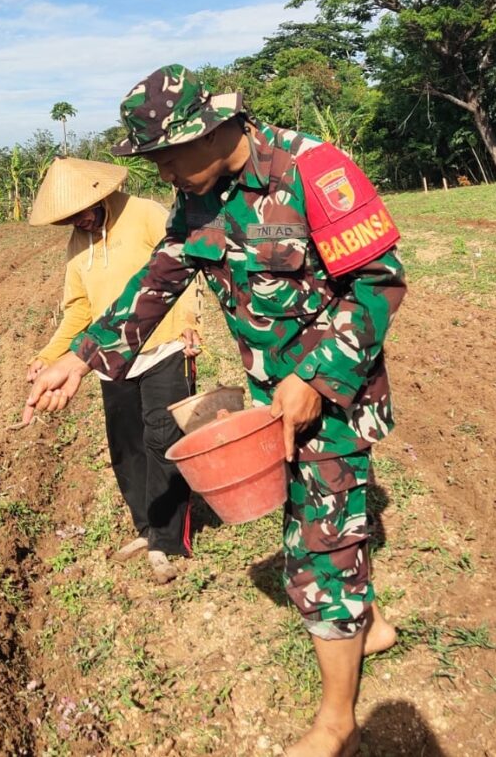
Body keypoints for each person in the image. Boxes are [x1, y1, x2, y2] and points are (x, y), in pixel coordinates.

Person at [24, 66, 407, 757]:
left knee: (318, 549)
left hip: (335, 399)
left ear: (216, 128)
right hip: (271, 399)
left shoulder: (313, 170)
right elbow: (157, 280)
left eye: (170, 153)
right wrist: (80, 358)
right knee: (316, 526)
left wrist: (317, 377)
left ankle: (337, 724)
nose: (164, 170)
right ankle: (366, 623)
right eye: (154, 160)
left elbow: (381, 280)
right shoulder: (195, 199)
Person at [26, 156, 202, 584]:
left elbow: (182, 270)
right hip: (109, 359)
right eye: (69, 218)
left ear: (101, 194)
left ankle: (167, 539)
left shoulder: (144, 213)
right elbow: (78, 310)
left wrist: (192, 322)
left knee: (164, 438)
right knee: (127, 447)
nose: (80, 221)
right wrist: (50, 355)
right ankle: (146, 527)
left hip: (163, 347)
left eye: (83, 211)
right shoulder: (77, 243)